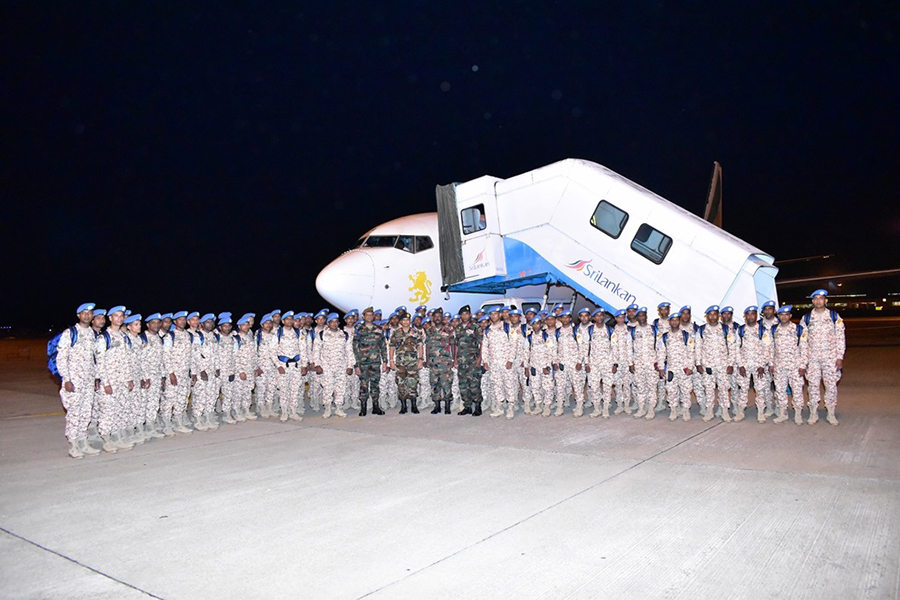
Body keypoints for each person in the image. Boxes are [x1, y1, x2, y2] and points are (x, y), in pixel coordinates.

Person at [56, 303, 101, 458]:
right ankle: (74, 446)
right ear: (78, 316)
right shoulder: (70, 333)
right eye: (84, 313)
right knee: (74, 413)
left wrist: (95, 377)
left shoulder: (91, 334)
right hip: (74, 381)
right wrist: (66, 379)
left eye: (89, 313)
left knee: (86, 412)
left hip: (88, 381)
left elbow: (93, 358)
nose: (87, 315)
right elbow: (61, 358)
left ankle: (83, 443)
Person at [96, 306, 136, 451]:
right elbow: (100, 362)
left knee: (121, 409)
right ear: (110, 318)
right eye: (116, 316)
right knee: (108, 411)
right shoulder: (104, 337)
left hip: (123, 381)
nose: (119, 318)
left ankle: (118, 437)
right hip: (110, 381)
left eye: (121, 316)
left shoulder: (123, 337)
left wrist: (129, 379)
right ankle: (107, 440)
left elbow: (127, 360)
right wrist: (105, 383)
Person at [803, 289, 845, 425]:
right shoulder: (807, 318)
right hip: (812, 358)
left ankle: (831, 413)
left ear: (826, 300)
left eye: (821, 298)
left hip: (830, 357)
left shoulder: (834, 317)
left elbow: (840, 337)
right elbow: (803, 341)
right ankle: (813, 413)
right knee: (813, 386)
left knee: (831, 386)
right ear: (812, 301)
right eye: (816, 298)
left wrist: (839, 357)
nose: (818, 301)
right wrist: (804, 360)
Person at [695, 306, 734, 423]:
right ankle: (709, 411)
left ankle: (724, 411)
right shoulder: (701, 330)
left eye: (715, 314)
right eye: (710, 314)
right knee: (709, 389)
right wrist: (698, 363)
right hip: (708, 366)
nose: (712, 316)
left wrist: (731, 363)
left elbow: (732, 347)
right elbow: (698, 347)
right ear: (706, 316)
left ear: (719, 316)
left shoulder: (726, 329)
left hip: (723, 365)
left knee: (723, 389)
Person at [734, 306, 773, 422]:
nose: (751, 316)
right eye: (748, 314)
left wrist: (762, 365)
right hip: (744, 365)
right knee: (743, 389)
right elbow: (736, 349)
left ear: (756, 316)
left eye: (753, 314)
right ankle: (740, 412)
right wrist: (740, 365)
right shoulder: (740, 330)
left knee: (760, 389)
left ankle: (760, 412)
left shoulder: (763, 330)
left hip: (758, 366)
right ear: (745, 316)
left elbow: (767, 348)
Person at [771, 305, 808, 424]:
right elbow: (770, 348)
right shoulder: (773, 329)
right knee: (780, 390)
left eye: (786, 315)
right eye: (781, 315)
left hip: (794, 366)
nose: (784, 317)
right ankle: (783, 413)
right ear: (778, 316)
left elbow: (804, 348)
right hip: (779, 365)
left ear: (790, 316)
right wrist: (771, 364)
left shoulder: (798, 329)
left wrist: (803, 365)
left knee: (796, 390)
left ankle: (798, 413)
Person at [657, 313, 695, 421]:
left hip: (684, 368)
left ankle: (686, 410)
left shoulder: (686, 335)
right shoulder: (664, 336)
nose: (674, 322)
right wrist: (660, 368)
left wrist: (690, 367)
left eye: (676, 320)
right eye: (672, 320)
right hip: (671, 368)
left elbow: (691, 352)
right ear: (669, 322)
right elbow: (661, 353)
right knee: (671, 390)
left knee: (685, 390)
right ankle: (674, 410)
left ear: (679, 321)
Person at [314, 313, 353, 418]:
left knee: (340, 388)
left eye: (336, 321)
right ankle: (327, 408)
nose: (334, 323)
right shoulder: (322, 335)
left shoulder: (344, 335)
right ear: (328, 323)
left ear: (339, 323)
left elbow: (349, 351)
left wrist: (350, 365)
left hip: (341, 366)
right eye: (332, 321)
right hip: (327, 367)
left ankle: (339, 408)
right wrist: (317, 364)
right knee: (327, 388)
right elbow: (316, 351)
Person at [162, 310, 193, 434]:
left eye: (184, 319)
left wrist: (191, 373)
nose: (183, 322)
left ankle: (178, 422)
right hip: (174, 374)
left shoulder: (187, 335)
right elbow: (166, 356)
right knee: (169, 400)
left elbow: (191, 356)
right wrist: (171, 373)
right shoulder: (170, 336)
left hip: (185, 374)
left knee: (181, 399)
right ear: (175, 322)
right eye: (180, 319)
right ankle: (166, 424)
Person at [483, 307, 517, 418]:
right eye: (491, 314)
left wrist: (510, 360)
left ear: (500, 315)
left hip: (505, 362)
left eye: (495, 314)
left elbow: (514, 344)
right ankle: (500, 406)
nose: (493, 316)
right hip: (494, 362)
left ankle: (511, 407)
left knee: (508, 384)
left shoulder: (508, 327)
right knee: (497, 384)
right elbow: (485, 346)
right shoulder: (488, 329)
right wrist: (485, 360)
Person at [353, 307, 387, 416]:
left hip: (375, 362)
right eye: (367, 315)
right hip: (363, 363)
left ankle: (375, 407)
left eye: (371, 315)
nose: (369, 317)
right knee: (363, 385)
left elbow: (383, 346)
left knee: (375, 385)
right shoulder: (359, 329)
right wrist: (356, 365)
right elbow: (355, 347)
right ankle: (363, 408)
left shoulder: (379, 329)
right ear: (363, 317)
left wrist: (385, 361)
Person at [275, 311, 306, 422]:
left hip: (296, 365)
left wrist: (304, 365)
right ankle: (284, 412)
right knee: (284, 390)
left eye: (291, 319)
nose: (289, 321)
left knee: (295, 389)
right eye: (287, 319)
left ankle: (293, 411)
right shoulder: (277, 333)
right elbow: (272, 351)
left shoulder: (298, 333)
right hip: (283, 365)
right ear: (283, 321)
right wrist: (278, 365)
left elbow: (303, 350)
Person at [389, 312, 423, 414]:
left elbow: (420, 346)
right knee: (401, 383)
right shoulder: (395, 333)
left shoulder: (416, 332)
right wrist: (391, 360)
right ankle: (403, 406)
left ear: (410, 321)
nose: (406, 322)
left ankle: (414, 405)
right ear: (401, 322)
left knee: (413, 382)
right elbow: (391, 347)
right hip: (400, 362)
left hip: (412, 362)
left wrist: (421, 359)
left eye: (407, 320)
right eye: (403, 320)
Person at [454, 305, 484, 416]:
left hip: (472, 360)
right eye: (462, 314)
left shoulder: (476, 327)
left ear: (470, 315)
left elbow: (481, 343)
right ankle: (467, 406)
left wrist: (480, 358)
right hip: (461, 361)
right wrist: (456, 359)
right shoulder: (458, 328)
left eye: (466, 314)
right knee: (463, 384)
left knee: (474, 383)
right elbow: (457, 344)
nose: (464, 316)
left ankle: (477, 406)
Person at [631, 308, 659, 420]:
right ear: (637, 318)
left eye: (644, 315)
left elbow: (660, 347)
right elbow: (629, 347)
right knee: (640, 387)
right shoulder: (632, 331)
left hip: (651, 364)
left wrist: (659, 363)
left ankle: (651, 409)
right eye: (640, 316)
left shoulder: (654, 330)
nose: (642, 318)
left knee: (652, 387)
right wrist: (630, 362)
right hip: (638, 364)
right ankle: (641, 408)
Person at [425, 308, 455, 414]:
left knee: (446, 384)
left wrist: (454, 359)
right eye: (435, 316)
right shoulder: (429, 330)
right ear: (433, 318)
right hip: (433, 362)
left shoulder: (448, 329)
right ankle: (437, 406)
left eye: (439, 316)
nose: (437, 318)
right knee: (434, 384)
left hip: (445, 362)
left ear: (442, 317)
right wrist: (427, 358)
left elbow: (453, 344)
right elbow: (427, 345)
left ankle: (447, 406)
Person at [525, 315, 556, 416]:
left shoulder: (547, 336)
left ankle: (547, 406)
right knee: (535, 387)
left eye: (537, 323)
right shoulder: (529, 336)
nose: (535, 326)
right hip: (534, 366)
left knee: (548, 387)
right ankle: (538, 406)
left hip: (545, 366)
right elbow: (526, 352)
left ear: (541, 324)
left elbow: (552, 351)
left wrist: (548, 365)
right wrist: (526, 366)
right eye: (533, 324)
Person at [586, 308, 614, 418]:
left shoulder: (610, 330)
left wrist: (614, 364)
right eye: (597, 315)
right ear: (593, 318)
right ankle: (597, 408)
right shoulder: (589, 330)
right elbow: (585, 347)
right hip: (594, 363)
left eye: (601, 315)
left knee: (607, 386)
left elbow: (614, 347)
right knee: (594, 386)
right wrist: (586, 363)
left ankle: (606, 408)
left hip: (607, 363)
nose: (599, 317)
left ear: (604, 317)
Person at [233, 315, 258, 421]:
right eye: (244, 324)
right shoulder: (236, 339)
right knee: (238, 391)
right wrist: (240, 371)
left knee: (247, 391)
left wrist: (255, 368)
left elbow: (254, 354)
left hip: (250, 369)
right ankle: (237, 411)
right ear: (239, 326)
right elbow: (234, 356)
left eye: (247, 324)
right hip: (241, 370)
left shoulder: (249, 337)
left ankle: (246, 410)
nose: (246, 326)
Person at [610, 309, 634, 414]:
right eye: (619, 317)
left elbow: (630, 348)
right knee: (618, 385)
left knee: (627, 384)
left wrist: (630, 363)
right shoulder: (611, 331)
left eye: (623, 317)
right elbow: (611, 349)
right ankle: (619, 405)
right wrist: (613, 363)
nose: (621, 319)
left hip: (626, 362)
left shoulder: (629, 330)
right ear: (615, 319)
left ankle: (627, 405)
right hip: (616, 362)